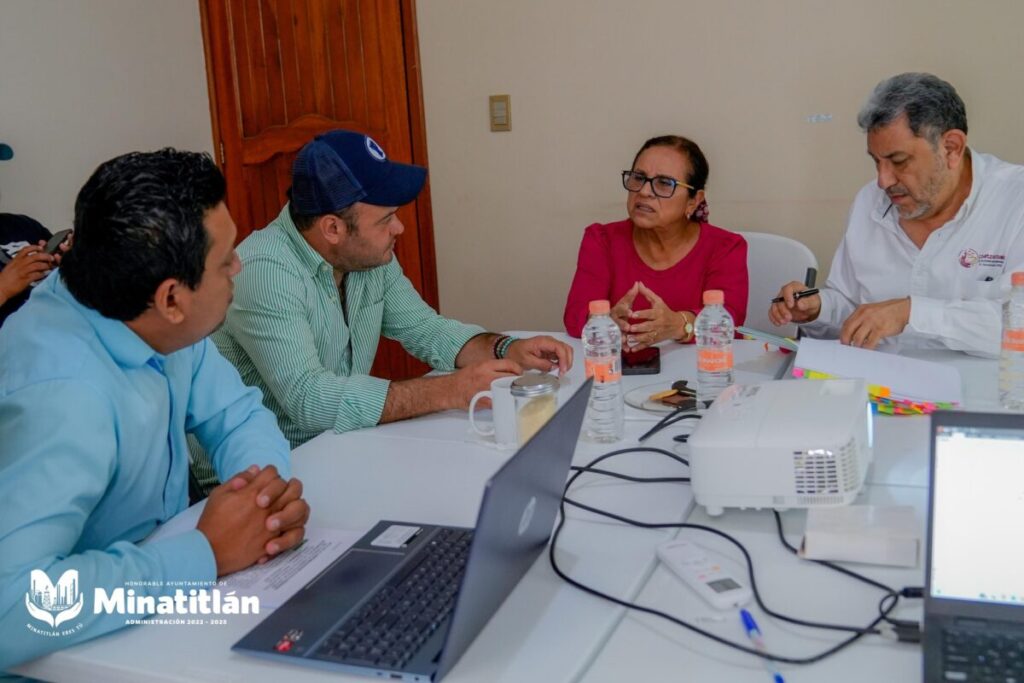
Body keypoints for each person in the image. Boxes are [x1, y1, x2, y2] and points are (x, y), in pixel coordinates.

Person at [0, 149, 310, 670]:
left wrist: (260, 503)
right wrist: (205, 553)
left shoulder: (154, 313)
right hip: (72, 662)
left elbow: (236, 415)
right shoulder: (63, 396)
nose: (240, 266)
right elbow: (14, 609)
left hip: (158, 622)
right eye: (225, 259)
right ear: (172, 298)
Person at [208, 129, 573, 453]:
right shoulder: (265, 271)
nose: (398, 228)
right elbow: (309, 399)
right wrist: (448, 390)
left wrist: (506, 347)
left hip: (342, 447)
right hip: (271, 471)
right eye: (385, 220)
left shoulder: (364, 256)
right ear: (333, 228)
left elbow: (426, 330)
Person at [769, 72, 1024, 357]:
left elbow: (1018, 326)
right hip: (882, 393)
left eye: (898, 161)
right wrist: (818, 310)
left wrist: (911, 313)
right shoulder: (870, 202)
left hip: (986, 397)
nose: (883, 180)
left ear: (951, 147)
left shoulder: (1014, 201)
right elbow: (852, 307)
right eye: (876, 162)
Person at [563, 135, 748, 349]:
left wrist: (680, 325)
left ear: (694, 201)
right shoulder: (602, 240)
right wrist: (604, 323)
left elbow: (730, 322)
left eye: (664, 183)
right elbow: (575, 317)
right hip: (619, 372)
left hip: (701, 373)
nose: (643, 191)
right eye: (638, 178)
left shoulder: (725, 247)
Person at [0, 212, 64, 327]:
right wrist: (3, 289)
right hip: (20, 339)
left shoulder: (20, 225)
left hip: (70, 325)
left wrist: (71, 262)